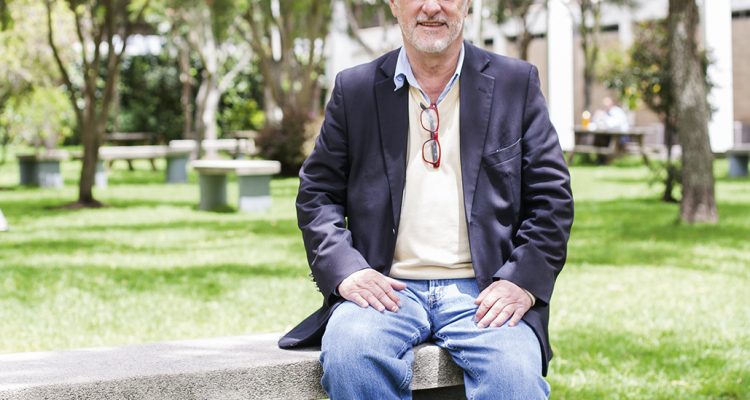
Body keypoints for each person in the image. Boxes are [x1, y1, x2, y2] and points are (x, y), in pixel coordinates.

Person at [278, 0, 574, 399]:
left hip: (485, 292)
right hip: (386, 290)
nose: (431, 7)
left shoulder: (515, 83)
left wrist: (521, 281)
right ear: (394, 5)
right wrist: (347, 271)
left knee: (515, 379)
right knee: (351, 357)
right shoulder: (355, 89)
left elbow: (551, 199)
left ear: (467, 5)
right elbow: (318, 193)